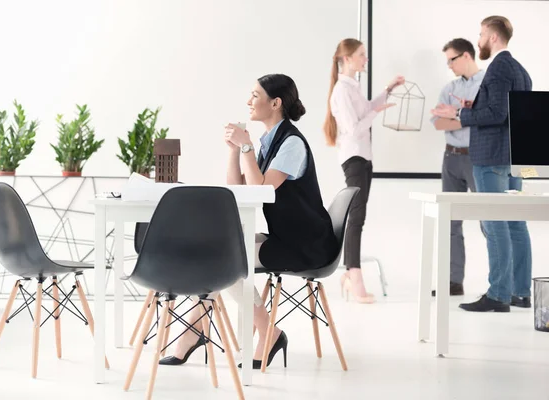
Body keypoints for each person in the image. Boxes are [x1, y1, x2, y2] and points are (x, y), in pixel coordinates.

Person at [159, 73, 339, 368]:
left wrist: (247, 148)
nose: (248, 101)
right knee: (218, 255)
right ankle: (198, 332)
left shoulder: (292, 144)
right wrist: (235, 151)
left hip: (307, 245)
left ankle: (263, 333)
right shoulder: (270, 141)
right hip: (287, 238)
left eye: (255, 95)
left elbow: (260, 189)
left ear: (276, 102)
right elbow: (238, 189)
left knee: (226, 259)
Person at [432, 16, 532, 312]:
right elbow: (506, 111)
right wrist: (466, 107)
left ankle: (499, 295)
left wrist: (462, 117)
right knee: (515, 223)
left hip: (490, 158)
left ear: (491, 36)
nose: (478, 40)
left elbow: (498, 114)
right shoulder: (519, 70)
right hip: (513, 157)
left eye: (480, 34)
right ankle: (521, 292)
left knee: (495, 223)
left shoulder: (498, 68)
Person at [323, 38, 403, 303]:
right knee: (355, 219)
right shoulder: (341, 91)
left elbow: (366, 110)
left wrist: (388, 90)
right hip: (354, 158)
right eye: (361, 55)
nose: (365, 59)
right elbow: (355, 129)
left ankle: (351, 274)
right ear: (346, 59)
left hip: (364, 158)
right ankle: (353, 274)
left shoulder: (352, 87)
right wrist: (376, 112)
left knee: (360, 218)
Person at [430, 38, 485, 297]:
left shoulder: (486, 85)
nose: (449, 65)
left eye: (451, 59)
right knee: (451, 223)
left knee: (490, 223)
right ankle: (453, 282)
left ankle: (499, 285)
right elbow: (438, 124)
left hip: (478, 158)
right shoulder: (449, 87)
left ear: (466, 56)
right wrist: (461, 116)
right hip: (451, 158)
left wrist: (454, 115)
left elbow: (487, 120)